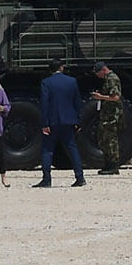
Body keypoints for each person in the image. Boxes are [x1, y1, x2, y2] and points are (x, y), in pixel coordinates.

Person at [36, 58, 86, 188]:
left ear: (50, 69)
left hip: (53, 121)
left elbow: (45, 104)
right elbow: (77, 102)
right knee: (72, 148)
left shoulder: (46, 83)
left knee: (48, 150)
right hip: (69, 120)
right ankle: (80, 177)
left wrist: (45, 123)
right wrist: (78, 121)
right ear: (62, 68)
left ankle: (47, 179)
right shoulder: (72, 81)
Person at [87, 63, 124, 176]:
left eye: (98, 73)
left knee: (111, 139)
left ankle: (113, 165)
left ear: (103, 70)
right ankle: (108, 163)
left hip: (112, 114)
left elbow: (116, 97)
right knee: (104, 139)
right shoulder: (107, 79)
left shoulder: (112, 79)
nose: (98, 76)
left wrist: (101, 97)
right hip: (107, 114)